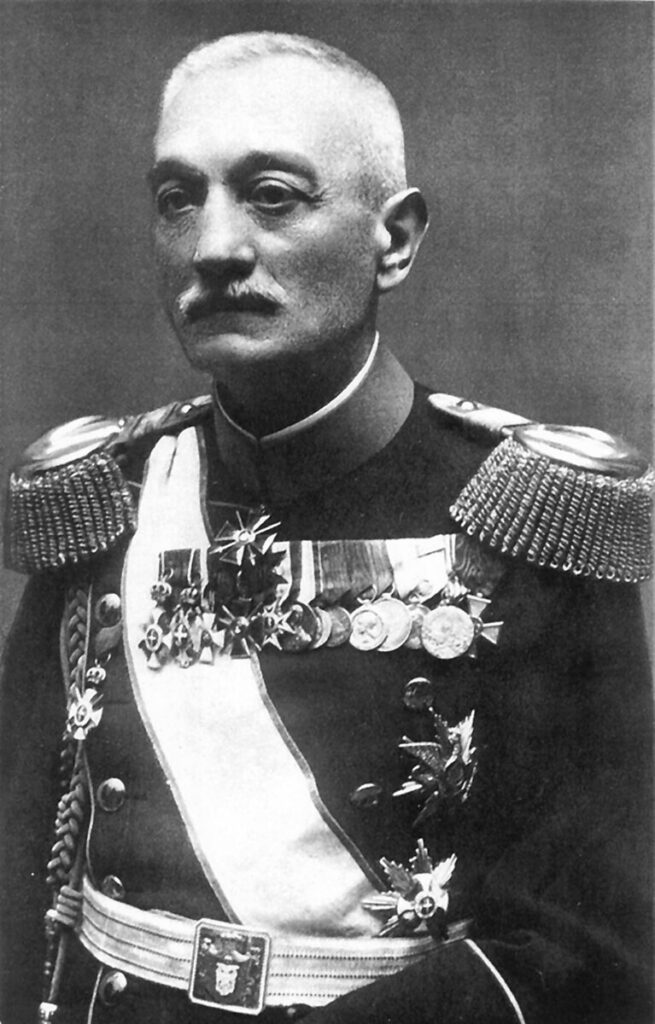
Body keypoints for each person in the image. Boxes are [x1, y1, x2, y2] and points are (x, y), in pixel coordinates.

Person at [1, 31, 652, 1024]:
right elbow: (17, 877)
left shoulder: (531, 519)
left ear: (394, 240)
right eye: (178, 199)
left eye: (272, 196)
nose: (215, 246)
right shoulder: (107, 499)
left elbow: (586, 948)